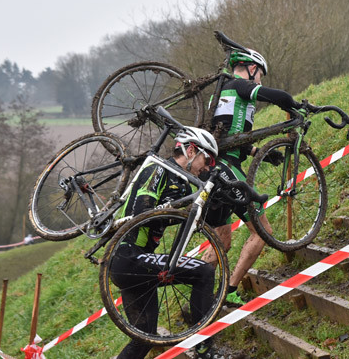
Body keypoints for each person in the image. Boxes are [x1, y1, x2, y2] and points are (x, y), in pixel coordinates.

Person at [111, 127, 224, 359]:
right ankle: (204, 349)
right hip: (128, 256)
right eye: (207, 158)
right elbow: (142, 212)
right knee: (203, 272)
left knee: (144, 338)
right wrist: (184, 215)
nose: (208, 166)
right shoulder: (159, 169)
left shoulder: (182, 182)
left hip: (133, 262)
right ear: (191, 149)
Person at [209, 47, 301, 306]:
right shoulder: (239, 85)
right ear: (251, 68)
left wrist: (258, 152)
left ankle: (198, 291)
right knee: (262, 231)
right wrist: (291, 102)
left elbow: (228, 138)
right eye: (260, 74)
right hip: (227, 170)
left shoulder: (223, 93)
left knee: (222, 240)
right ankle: (228, 290)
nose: (260, 80)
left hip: (214, 168)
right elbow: (273, 95)